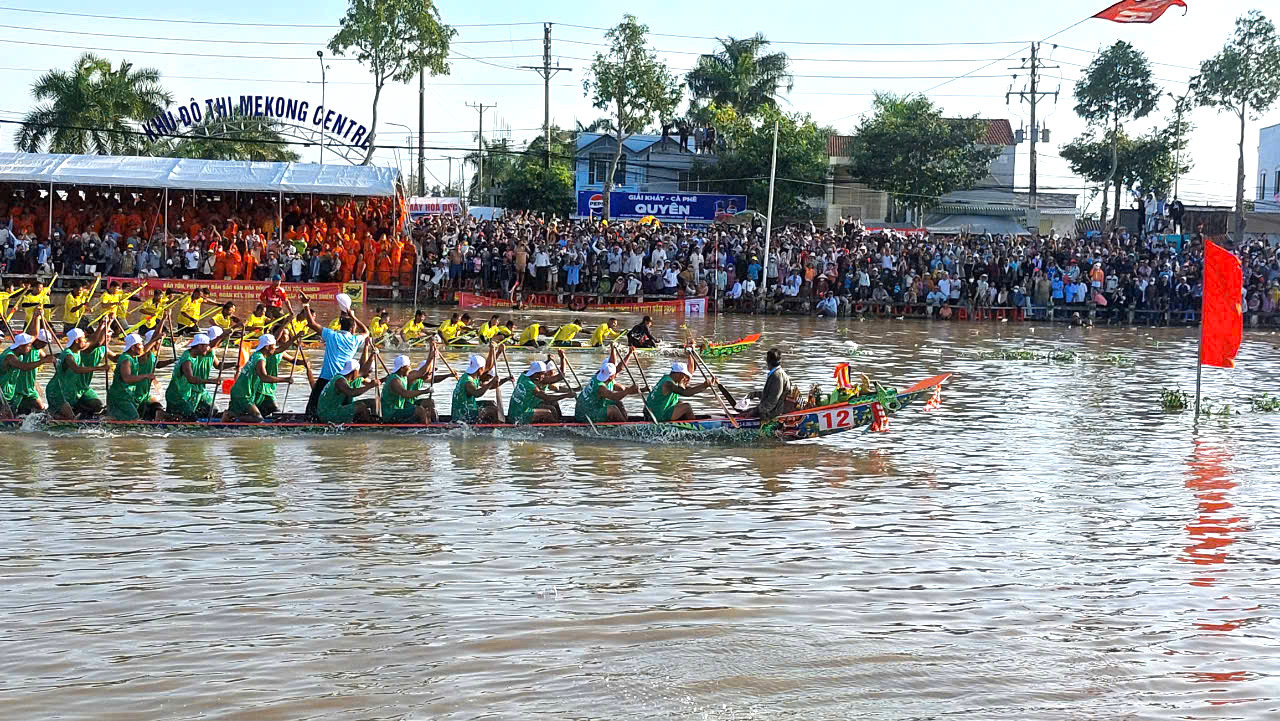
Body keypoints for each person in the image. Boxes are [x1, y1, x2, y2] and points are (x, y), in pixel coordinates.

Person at [298, 292, 368, 419]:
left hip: (326, 379)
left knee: (311, 412)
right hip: (344, 379)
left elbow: (311, 323)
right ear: (353, 329)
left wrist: (306, 304)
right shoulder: (355, 340)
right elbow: (366, 332)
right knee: (342, 406)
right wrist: (354, 316)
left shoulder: (331, 335)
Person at [222, 333, 296, 422]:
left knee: (254, 413)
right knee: (258, 419)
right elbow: (264, 377)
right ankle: (230, 416)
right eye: (273, 346)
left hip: (241, 390)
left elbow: (281, 349)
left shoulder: (257, 354)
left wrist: (295, 338)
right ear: (267, 347)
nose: (275, 348)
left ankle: (231, 414)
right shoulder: (260, 360)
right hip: (243, 393)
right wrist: (285, 379)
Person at [45, 321, 110, 420]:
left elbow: (95, 341)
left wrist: (104, 325)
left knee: (96, 406)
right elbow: (77, 369)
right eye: (83, 339)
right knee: (70, 418)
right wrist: (99, 368)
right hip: (56, 390)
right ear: (76, 340)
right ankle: (46, 418)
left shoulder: (79, 349)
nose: (85, 341)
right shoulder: (68, 354)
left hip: (67, 389)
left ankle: (79, 414)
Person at [106, 328, 168, 422]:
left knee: (132, 417)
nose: (143, 347)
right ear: (133, 347)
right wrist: (146, 376)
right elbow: (127, 378)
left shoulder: (134, 356)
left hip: (127, 394)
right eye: (140, 345)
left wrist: (156, 337)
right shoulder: (126, 360)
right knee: (134, 418)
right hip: (119, 396)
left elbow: (148, 347)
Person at [380, 353, 449, 424]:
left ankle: (434, 424)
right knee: (419, 410)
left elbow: (430, 377)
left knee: (429, 402)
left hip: (399, 409)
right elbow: (405, 393)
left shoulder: (403, 377)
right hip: (391, 413)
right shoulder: (395, 380)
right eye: (409, 366)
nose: (410, 368)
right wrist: (424, 391)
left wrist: (432, 354)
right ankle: (426, 429)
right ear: (402, 368)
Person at [165, 333, 220, 420]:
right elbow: (191, 379)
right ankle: (163, 416)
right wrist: (211, 381)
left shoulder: (195, 355)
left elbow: (218, 365)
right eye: (207, 346)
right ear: (199, 346)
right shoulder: (187, 360)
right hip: (177, 396)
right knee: (191, 418)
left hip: (186, 393)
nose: (209, 349)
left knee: (211, 411)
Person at [645, 355, 715, 422]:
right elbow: (687, 393)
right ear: (678, 374)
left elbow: (688, 389)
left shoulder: (667, 378)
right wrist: (704, 385)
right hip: (657, 416)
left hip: (652, 412)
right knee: (687, 407)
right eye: (684, 376)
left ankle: (686, 421)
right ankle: (695, 427)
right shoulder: (668, 384)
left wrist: (706, 384)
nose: (684, 378)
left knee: (679, 402)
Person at [450, 346, 510, 423]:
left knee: (491, 403)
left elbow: (489, 368)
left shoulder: (472, 375)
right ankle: (495, 428)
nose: (485, 369)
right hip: (463, 413)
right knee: (493, 410)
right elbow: (477, 393)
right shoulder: (468, 382)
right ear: (480, 369)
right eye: (484, 368)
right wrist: (491, 382)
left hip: (467, 406)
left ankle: (487, 422)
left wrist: (497, 352)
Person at [0, 330, 53, 417]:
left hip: (9, 393)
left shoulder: (19, 354)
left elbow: (34, 334)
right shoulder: (10, 357)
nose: (30, 348)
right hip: (2, 392)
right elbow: (24, 367)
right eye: (28, 346)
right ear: (20, 347)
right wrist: (42, 361)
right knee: (8, 419)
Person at [317, 353, 380, 425]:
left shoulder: (349, 377)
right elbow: (351, 393)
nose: (359, 373)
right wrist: (370, 386)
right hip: (328, 414)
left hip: (337, 408)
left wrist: (372, 356)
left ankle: (375, 420)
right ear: (354, 371)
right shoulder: (340, 381)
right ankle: (370, 426)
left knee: (374, 402)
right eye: (358, 371)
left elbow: (364, 372)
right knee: (361, 406)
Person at [574, 354, 638, 423]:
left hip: (591, 407)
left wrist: (641, 390)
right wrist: (628, 391)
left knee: (619, 403)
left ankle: (624, 421)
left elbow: (623, 387)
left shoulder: (599, 376)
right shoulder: (601, 387)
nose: (617, 373)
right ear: (611, 376)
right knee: (613, 409)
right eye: (615, 373)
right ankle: (625, 428)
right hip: (584, 415)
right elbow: (614, 396)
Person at [508, 358, 573, 424]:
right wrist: (567, 395)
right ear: (536, 374)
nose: (544, 376)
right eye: (543, 374)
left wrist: (548, 360)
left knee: (553, 404)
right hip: (519, 416)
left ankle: (558, 421)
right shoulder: (530, 386)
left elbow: (533, 369)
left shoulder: (522, 376)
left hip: (514, 412)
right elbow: (548, 398)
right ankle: (557, 428)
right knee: (548, 413)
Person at [753, 347, 794, 420]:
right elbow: (771, 394)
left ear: (768, 361)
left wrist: (756, 411)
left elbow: (772, 401)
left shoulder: (777, 376)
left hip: (774, 414)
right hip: (774, 409)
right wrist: (754, 395)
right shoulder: (776, 373)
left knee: (747, 414)